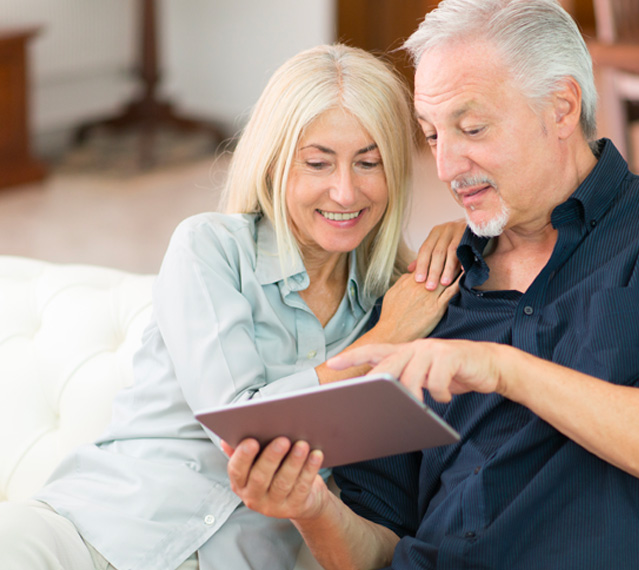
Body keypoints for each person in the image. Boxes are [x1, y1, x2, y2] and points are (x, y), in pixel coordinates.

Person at [224, 1, 639, 568]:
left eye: (473, 128)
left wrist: (505, 369)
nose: (446, 167)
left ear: (561, 108)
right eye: (432, 135)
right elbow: (374, 548)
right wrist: (311, 508)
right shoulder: (428, 293)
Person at [0, 44, 463, 570]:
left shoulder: (402, 298)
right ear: (274, 161)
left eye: (369, 162)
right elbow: (242, 424)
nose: (344, 190)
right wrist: (380, 343)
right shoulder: (210, 248)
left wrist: (468, 233)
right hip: (91, 535)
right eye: (317, 162)